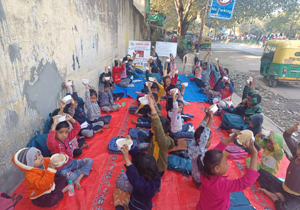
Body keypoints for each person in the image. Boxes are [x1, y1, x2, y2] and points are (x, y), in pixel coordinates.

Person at [196, 132, 259, 210]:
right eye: (225, 163)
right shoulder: (222, 185)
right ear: (217, 168)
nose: (227, 165)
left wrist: (232, 137)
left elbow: (217, 151)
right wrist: (254, 154)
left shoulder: (204, 171)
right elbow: (247, 181)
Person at [258, 122, 300, 210]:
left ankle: (275, 197)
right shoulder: (295, 154)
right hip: (282, 187)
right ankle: (280, 195)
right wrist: (294, 128)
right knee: (261, 173)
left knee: (284, 209)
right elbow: (287, 136)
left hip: (295, 197)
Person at [46, 114, 93, 189]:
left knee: (89, 160)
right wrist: (54, 125)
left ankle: (78, 178)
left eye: (66, 132)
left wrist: (71, 119)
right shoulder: (54, 144)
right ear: (55, 133)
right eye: (61, 132)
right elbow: (50, 141)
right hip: (62, 169)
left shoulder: (67, 138)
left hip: (72, 162)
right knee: (71, 177)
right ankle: (81, 171)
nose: (64, 135)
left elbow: (78, 128)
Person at [114, 143, 161, 210]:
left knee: (117, 192)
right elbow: (139, 156)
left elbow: (136, 180)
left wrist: (127, 161)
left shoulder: (147, 187)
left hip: (137, 207)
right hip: (139, 202)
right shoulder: (155, 176)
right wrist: (130, 144)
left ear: (141, 174)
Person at [145, 94, 175, 175]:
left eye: (153, 128)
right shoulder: (158, 136)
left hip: (158, 169)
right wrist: (154, 105)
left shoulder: (163, 140)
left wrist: (152, 108)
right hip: (152, 156)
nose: (151, 130)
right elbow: (158, 118)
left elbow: (157, 125)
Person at [188, 109, 213, 188]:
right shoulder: (200, 150)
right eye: (208, 140)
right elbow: (204, 136)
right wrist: (211, 119)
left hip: (195, 175)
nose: (210, 142)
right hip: (200, 180)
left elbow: (200, 129)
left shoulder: (194, 142)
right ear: (201, 140)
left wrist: (207, 116)